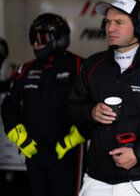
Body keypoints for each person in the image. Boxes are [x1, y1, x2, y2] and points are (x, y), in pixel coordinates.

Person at [68, 0, 140, 196]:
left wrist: (138, 154)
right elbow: (72, 109)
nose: (110, 28)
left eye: (119, 22)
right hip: (96, 179)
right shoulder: (92, 66)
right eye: (108, 22)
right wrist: (90, 112)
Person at [1, 13, 85, 196]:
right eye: (33, 38)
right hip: (34, 152)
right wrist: (21, 139)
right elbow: (9, 106)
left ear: (60, 39)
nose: (36, 44)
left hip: (67, 154)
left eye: (41, 38)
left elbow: (92, 108)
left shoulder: (79, 67)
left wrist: (71, 140)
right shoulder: (26, 70)